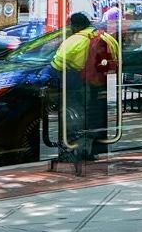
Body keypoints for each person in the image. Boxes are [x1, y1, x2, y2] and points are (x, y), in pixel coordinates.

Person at [51, 11, 119, 161]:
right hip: (101, 87)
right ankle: (94, 151)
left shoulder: (73, 40)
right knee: (96, 119)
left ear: (74, 26)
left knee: (74, 120)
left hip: (77, 87)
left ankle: (72, 153)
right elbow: (116, 59)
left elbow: (56, 64)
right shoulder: (107, 38)